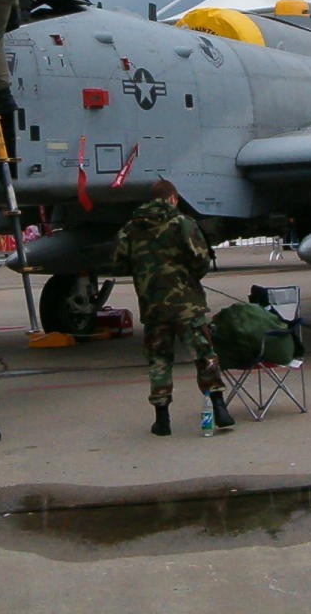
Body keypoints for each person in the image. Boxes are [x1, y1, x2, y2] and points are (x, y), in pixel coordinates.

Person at [110, 178, 234, 436]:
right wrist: (186, 279)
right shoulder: (183, 224)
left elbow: (119, 265)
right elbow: (201, 260)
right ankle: (220, 409)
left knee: (159, 361)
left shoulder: (131, 229)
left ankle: (162, 420)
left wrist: (145, 273)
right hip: (187, 305)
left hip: (153, 307)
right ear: (173, 198)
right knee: (204, 356)